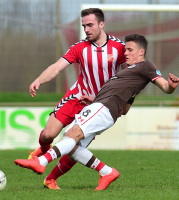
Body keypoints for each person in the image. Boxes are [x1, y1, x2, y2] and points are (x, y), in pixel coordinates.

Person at [15, 33, 179, 190]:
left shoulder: (146, 66)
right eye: (125, 50)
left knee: (72, 134)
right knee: (72, 147)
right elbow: (125, 108)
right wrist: (95, 100)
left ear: (141, 52)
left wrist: (170, 87)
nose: (126, 53)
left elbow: (164, 86)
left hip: (104, 109)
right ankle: (107, 172)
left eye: (130, 50)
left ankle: (41, 161)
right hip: (102, 107)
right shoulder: (130, 73)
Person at [27, 8, 126, 189]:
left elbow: (132, 76)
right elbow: (57, 67)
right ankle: (43, 149)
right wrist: (39, 80)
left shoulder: (119, 48)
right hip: (77, 97)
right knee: (49, 134)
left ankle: (50, 179)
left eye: (90, 25)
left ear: (101, 24)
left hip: (98, 105)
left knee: (74, 146)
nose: (86, 29)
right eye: (84, 26)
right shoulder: (79, 47)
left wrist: (123, 104)